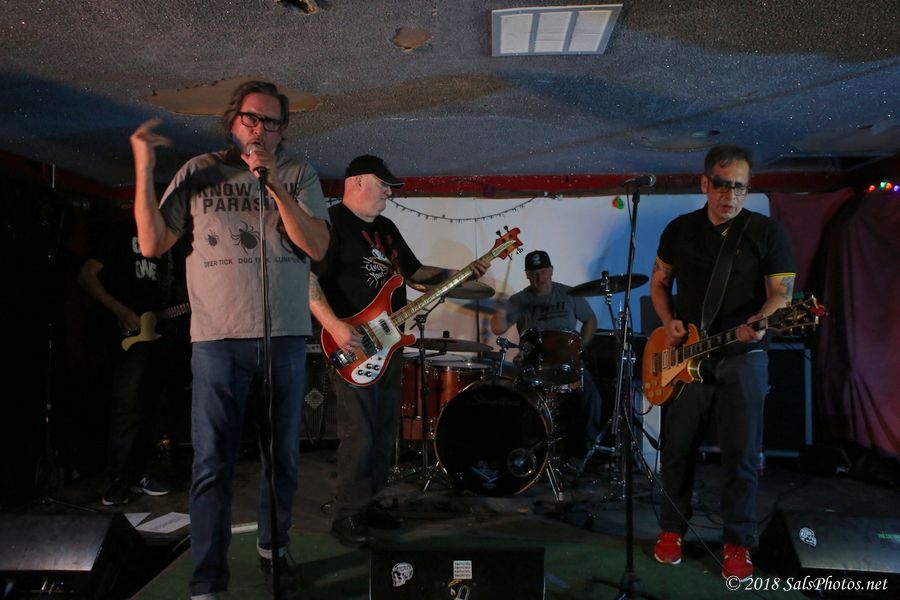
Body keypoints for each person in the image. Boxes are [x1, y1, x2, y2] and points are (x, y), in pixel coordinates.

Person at [129, 80, 331, 599]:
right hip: (217, 340)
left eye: (271, 121)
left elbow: (316, 246)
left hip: (283, 338)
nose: (260, 129)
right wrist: (144, 169)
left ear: (283, 129)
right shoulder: (198, 170)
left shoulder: (298, 173)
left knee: (282, 458)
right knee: (212, 463)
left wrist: (273, 184)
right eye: (251, 118)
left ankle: (272, 546)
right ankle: (207, 582)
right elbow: (152, 243)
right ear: (233, 121)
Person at [309, 154, 489, 547]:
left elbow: (415, 274)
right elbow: (307, 279)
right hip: (353, 344)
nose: (390, 193)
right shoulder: (330, 224)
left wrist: (459, 274)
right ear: (357, 182)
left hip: (389, 345)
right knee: (358, 431)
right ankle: (347, 514)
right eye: (383, 185)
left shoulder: (387, 229)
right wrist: (335, 327)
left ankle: (369, 503)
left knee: (383, 429)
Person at [649, 144, 795, 582]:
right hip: (685, 357)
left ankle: (737, 542)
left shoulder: (767, 233)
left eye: (740, 187)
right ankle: (671, 529)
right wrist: (668, 323)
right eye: (723, 185)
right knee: (676, 448)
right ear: (704, 183)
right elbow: (659, 284)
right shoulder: (679, 230)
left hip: (742, 354)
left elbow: (781, 295)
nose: (731, 195)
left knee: (742, 455)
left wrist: (760, 322)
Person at [77, 218, 177, 506]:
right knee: (126, 406)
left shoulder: (168, 239)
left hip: (157, 333)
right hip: (127, 336)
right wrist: (120, 311)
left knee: (152, 405)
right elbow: (86, 275)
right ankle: (118, 478)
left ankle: (142, 473)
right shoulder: (121, 230)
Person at [490, 250, 603, 459]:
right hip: (532, 364)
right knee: (516, 401)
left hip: (567, 362)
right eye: (533, 273)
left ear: (551, 271)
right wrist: (500, 308)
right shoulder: (519, 299)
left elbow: (590, 320)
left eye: (543, 272)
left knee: (591, 396)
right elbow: (498, 328)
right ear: (526, 275)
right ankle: (528, 453)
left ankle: (581, 452)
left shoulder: (569, 294)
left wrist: (580, 348)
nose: (539, 278)